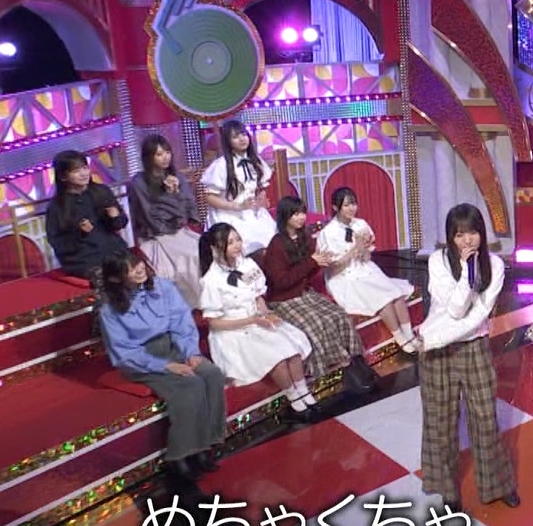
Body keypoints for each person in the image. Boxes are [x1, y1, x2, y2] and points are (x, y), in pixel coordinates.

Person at [419, 203, 519, 514]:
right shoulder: (437, 261)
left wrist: (442, 334)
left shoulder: (495, 265)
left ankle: (497, 485)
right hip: (437, 351)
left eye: (473, 233)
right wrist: (466, 274)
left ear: (482, 234)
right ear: (450, 237)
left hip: (473, 346)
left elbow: (478, 315)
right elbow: (455, 309)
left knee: (486, 418)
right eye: (460, 234)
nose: (467, 240)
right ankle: (448, 489)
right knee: (441, 422)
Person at [96, 251, 226, 481]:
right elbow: (124, 353)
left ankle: (206, 443)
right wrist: (166, 366)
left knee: (211, 374)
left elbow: (181, 321)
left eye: (138, 263)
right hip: (142, 359)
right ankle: (179, 455)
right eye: (130, 269)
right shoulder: (109, 310)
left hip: (174, 346)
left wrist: (190, 352)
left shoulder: (163, 287)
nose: (139, 269)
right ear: (116, 278)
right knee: (190, 384)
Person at [197, 223, 318, 420]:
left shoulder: (247, 265)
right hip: (234, 331)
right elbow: (214, 323)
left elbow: (258, 296)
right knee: (277, 359)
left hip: (257, 319)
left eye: (237, 239)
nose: (237, 245)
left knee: (293, 349)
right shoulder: (211, 280)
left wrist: (265, 311)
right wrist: (251, 320)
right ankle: (294, 398)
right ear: (216, 248)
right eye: (230, 243)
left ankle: (303, 391)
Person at [261, 196, 377, 394]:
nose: (301, 217)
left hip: (304, 292)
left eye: (302, 212)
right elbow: (281, 282)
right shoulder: (277, 245)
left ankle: (358, 362)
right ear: (285, 217)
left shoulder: (305, 238)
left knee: (339, 316)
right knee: (315, 324)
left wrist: (320, 262)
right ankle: (342, 371)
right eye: (295, 214)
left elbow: (308, 272)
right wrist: (312, 262)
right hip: (283, 299)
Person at [317, 187, 422, 353]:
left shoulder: (360, 224)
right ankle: (400, 339)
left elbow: (367, 258)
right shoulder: (328, 233)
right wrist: (354, 249)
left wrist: (363, 248)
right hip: (344, 277)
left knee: (396, 293)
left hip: (364, 268)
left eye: (353, 204)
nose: (351, 208)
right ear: (336, 207)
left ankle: (409, 335)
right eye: (346, 205)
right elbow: (333, 267)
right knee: (383, 298)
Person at [128, 134, 203, 305]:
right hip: (155, 234)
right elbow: (148, 214)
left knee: (200, 251)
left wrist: (175, 193)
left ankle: (202, 300)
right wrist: (168, 196)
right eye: (159, 154)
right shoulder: (139, 181)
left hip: (180, 230)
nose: (165, 157)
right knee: (180, 263)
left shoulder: (177, 176)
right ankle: (189, 303)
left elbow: (188, 206)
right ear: (149, 157)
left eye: (167, 152)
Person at [45, 150, 129, 280]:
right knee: (107, 277)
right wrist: (80, 233)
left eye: (85, 168)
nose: (83, 174)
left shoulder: (101, 191)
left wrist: (115, 217)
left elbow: (120, 223)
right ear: (62, 176)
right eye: (76, 171)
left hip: (114, 253)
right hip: (85, 262)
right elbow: (58, 244)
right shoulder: (57, 206)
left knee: (133, 270)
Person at [199, 120, 277, 255]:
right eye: (235, 137)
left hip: (252, 211)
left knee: (272, 240)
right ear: (228, 141)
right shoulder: (221, 165)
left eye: (244, 134)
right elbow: (209, 197)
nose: (242, 139)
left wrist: (261, 198)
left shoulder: (256, 161)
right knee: (245, 243)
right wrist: (237, 206)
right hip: (228, 214)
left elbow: (260, 187)